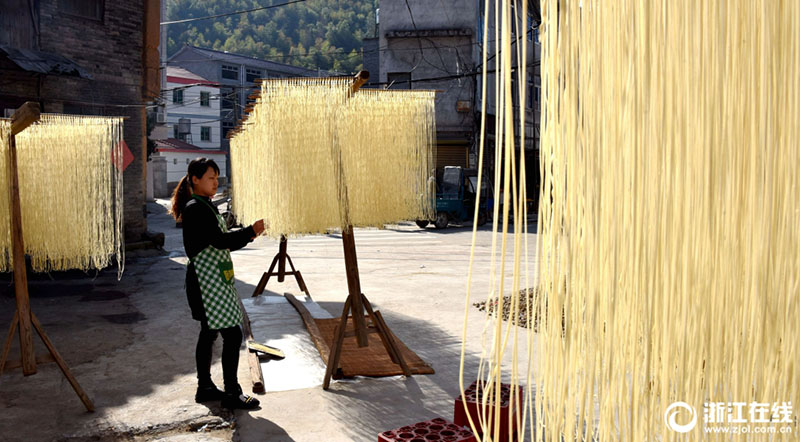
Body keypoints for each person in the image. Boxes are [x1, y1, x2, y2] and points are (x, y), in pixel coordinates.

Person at [169, 158, 266, 410]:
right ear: (195, 179)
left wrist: (247, 233)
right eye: (210, 177)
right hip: (205, 282)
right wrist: (250, 232)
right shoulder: (195, 208)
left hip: (213, 280)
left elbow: (219, 239)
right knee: (232, 334)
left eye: (216, 177)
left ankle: (205, 387)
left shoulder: (205, 205)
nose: (215, 182)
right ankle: (232, 392)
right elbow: (220, 241)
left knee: (209, 332)